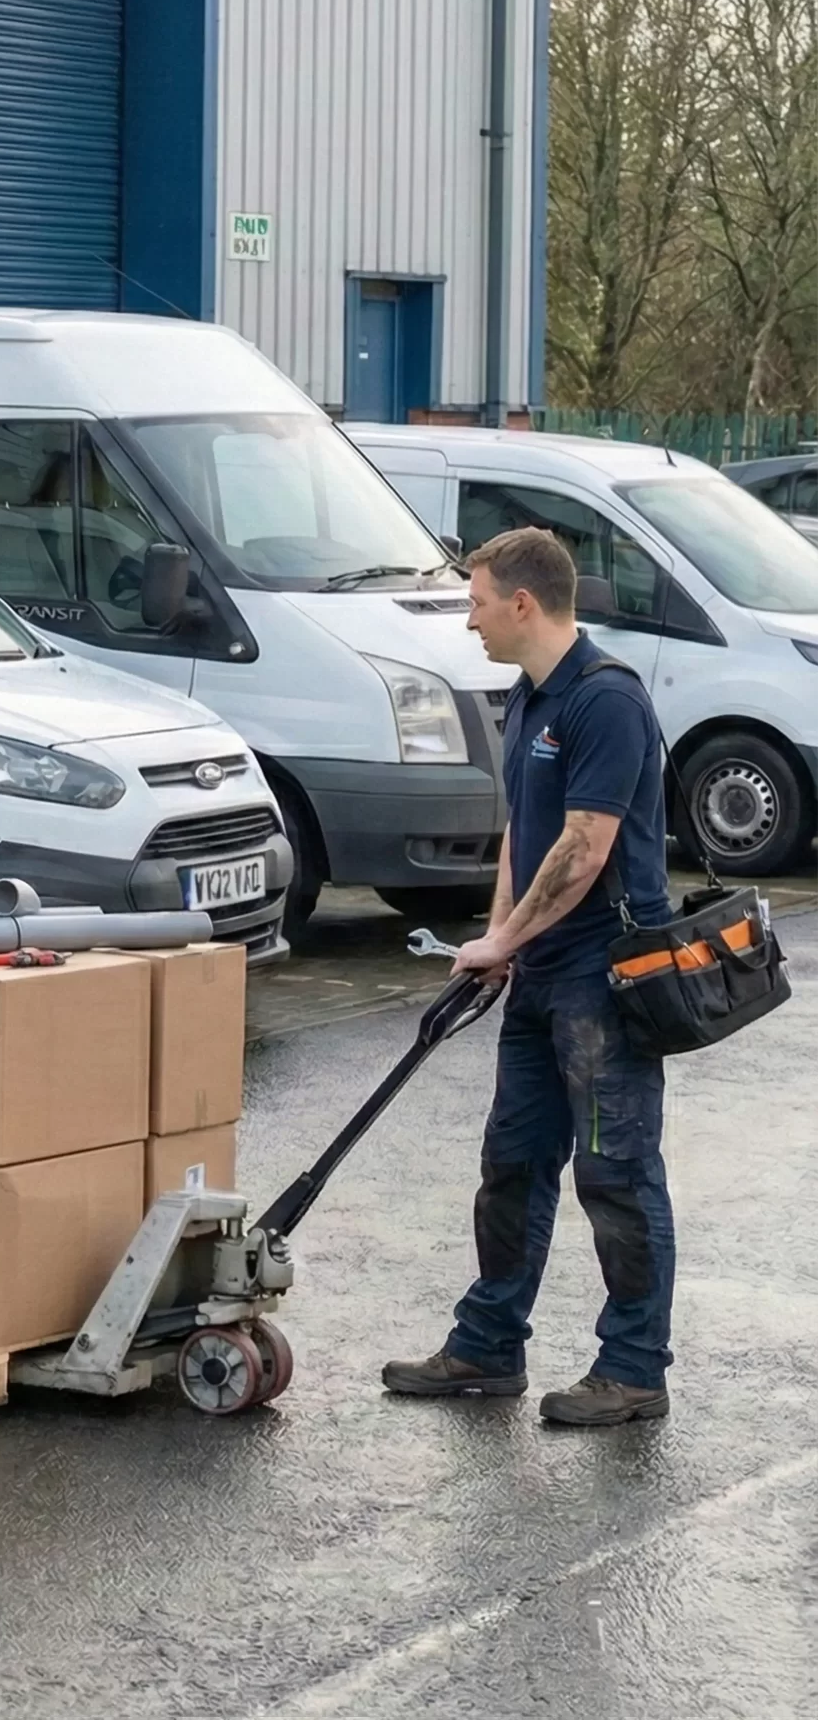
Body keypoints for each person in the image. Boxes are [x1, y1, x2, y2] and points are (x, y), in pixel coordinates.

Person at [382, 526, 678, 1427]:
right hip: (542, 968)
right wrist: (498, 939)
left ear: (522, 602)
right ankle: (487, 1345)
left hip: (608, 977)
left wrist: (510, 934)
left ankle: (633, 1370)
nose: (467, 619)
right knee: (511, 1163)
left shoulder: (606, 702)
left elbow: (586, 849)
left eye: (475, 601)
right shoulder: (528, 701)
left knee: (616, 1174)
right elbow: (530, 833)